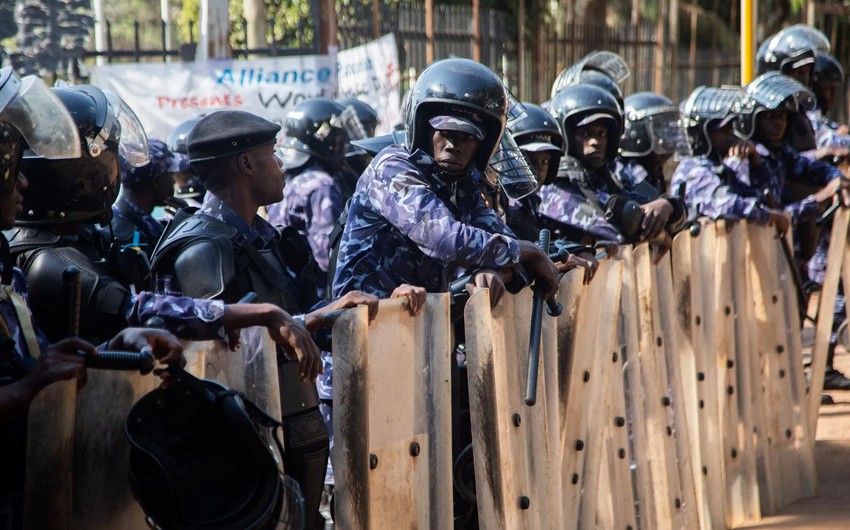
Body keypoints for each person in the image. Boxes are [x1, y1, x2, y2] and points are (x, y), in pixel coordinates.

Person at [149, 109, 379, 528]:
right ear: (247, 165)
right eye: (273, 155)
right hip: (241, 453)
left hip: (286, 430)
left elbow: (263, 330)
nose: (282, 166)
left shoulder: (257, 236)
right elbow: (221, 362)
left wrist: (319, 317)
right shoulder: (205, 249)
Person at [0, 67, 185, 530]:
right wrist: (26, 390)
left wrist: (111, 346)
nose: (20, 178)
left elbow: (34, 358)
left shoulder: (4, 259)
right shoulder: (44, 260)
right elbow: (25, 380)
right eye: (7, 158)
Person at [331, 57, 559, 305]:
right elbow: (444, 239)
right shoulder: (393, 167)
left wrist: (498, 271)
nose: (453, 146)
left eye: (467, 137)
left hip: (422, 328)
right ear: (425, 129)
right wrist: (522, 252)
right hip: (362, 328)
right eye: (445, 132)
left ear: (483, 144)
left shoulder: (463, 185)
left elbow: (516, 250)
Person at [267, 98, 356, 298]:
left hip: (290, 294)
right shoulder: (320, 185)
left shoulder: (287, 177)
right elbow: (328, 257)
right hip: (316, 299)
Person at [105, 139, 180, 260]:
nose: (174, 181)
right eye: (171, 175)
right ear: (157, 181)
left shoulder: (117, 222)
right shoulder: (127, 237)